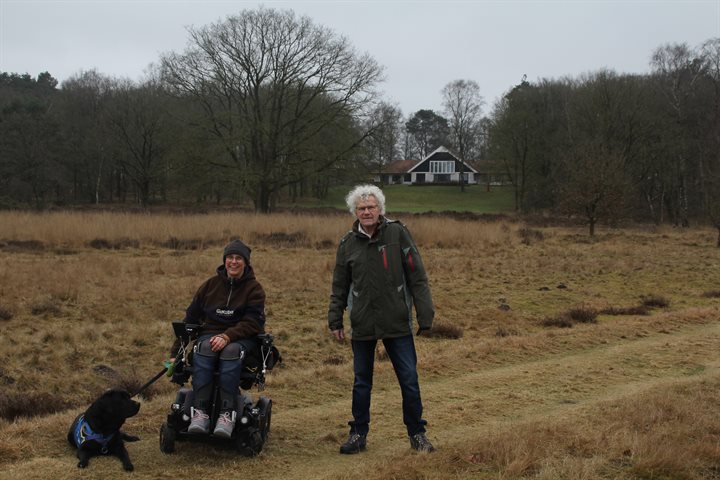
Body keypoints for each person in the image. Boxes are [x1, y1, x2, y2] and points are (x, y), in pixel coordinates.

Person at [328, 184, 436, 454]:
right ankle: (358, 435)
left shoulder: (398, 233)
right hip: (362, 321)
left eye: (371, 207)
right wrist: (335, 319)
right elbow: (339, 285)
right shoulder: (347, 244)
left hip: (396, 320)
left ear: (380, 209)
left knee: (409, 378)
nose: (366, 211)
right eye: (361, 208)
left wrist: (425, 313)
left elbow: (417, 275)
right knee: (362, 382)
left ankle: (417, 434)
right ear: (355, 211)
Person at [169, 239, 265, 439]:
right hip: (209, 337)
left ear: (246, 263)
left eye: (239, 258)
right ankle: (201, 412)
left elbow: (253, 323)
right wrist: (175, 353)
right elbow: (190, 320)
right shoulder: (209, 286)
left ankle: (227, 414)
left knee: (230, 351)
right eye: (230, 257)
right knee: (204, 347)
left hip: (242, 339)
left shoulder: (254, 289)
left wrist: (227, 336)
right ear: (224, 261)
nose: (234, 262)